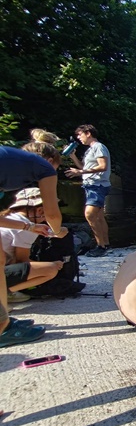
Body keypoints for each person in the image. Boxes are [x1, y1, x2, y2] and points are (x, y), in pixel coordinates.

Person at [0, 143, 67, 348]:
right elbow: (52, 214)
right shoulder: (43, 168)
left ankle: (4, 322)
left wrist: (28, 227)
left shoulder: (10, 166)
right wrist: (57, 231)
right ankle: (2, 329)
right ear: (50, 162)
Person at [1, 188, 66, 303]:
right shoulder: (28, 228)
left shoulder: (9, 219)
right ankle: (5, 293)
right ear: (40, 210)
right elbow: (22, 261)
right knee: (50, 270)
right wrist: (54, 264)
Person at [65, 124, 111, 257]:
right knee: (99, 216)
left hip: (97, 185)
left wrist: (80, 171)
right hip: (91, 185)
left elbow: (103, 166)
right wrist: (73, 157)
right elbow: (84, 166)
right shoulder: (90, 149)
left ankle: (100, 246)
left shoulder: (98, 147)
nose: (78, 138)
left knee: (90, 215)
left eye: (80, 134)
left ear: (88, 133)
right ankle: (105, 244)